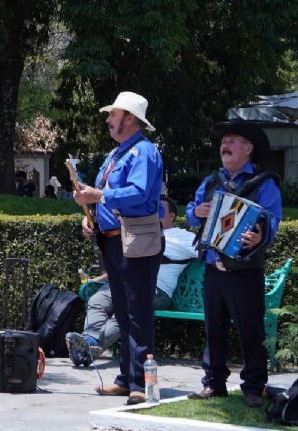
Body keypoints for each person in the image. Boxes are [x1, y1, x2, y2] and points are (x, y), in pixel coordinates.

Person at [73, 91, 164, 405]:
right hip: (114, 240)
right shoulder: (117, 154)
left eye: (113, 114)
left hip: (137, 239)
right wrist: (91, 218)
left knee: (138, 313)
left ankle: (140, 383)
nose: (108, 120)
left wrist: (97, 197)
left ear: (130, 118)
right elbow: (106, 195)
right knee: (124, 313)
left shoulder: (144, 152)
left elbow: (138, 193)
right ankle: (126, 379)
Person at [186, 120, 281, 408]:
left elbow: (272, 220)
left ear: (248, 148)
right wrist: (197, 211)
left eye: (232, 141)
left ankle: (254, 386)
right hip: (213, 268)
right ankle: (214, 383)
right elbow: (190, 213)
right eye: (223, 141)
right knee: (213, 330)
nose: (224, 145)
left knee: (250, 331)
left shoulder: (263, 183)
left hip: (245, 270)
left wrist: (260, 235)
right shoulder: (211, 181)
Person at [66, 195, 197, 366]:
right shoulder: (138, 233)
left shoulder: (182, 237)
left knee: (126, 311)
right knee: (97, 300)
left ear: (171, 216)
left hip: (157, 290)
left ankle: (88, 347)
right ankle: (89, 340)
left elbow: (207, 252)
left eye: (159, 209)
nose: (153, 212)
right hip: (126, 283)